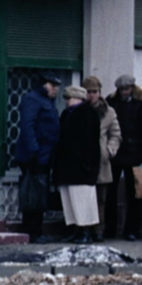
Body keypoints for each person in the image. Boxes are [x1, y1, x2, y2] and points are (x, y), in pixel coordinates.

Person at [106, 74, 142, 241]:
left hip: (135, 152)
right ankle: (111, 228)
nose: (124, 92)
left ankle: (131, 229)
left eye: (127, 89)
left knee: (134, 193)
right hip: (118, 151)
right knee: (110, 191)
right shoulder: (112, 101)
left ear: (132, 88)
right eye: (121, 90)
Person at [14, 74, 62, 243]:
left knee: (39, 193)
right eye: (52, 84)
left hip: (45, 154)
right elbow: (28, 125)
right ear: (43, 84)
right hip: (35, 156)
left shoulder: (47, 101)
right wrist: (34, 150)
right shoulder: (33, 99)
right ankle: (32, 231)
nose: (55, 88)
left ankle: (36, 229)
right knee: (34, 194)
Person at [53, 86, 101, 243]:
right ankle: (76, 229)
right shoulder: (68, 113)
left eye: (69, 98)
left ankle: (85, 231)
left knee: (82, 199)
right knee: (70, 200)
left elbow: (89, 141)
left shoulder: (87, 113)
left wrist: (87, 163)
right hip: (69, 164)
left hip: (81, 166)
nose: (67, 101)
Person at [84, 76, 121, 242]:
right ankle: (84, 229)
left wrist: (109, 150)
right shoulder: (80, 109)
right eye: (89, 92)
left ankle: (98, 230)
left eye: (95, 92)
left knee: (100, 199)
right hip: (83, 160)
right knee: (84, 198)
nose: (92, 95)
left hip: (101, 161)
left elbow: (115, 134)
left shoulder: (108, 112)